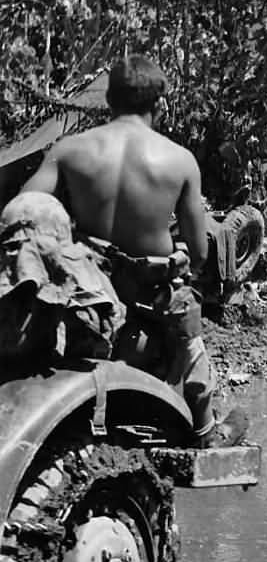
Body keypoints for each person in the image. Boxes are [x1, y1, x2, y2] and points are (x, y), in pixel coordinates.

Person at [21, 54, 245, 446]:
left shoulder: (69, 150)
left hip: (89, 289)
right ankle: (206, 428)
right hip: (154, 294)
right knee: (189, 332)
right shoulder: (179, 161)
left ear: (109, 102)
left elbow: (24, 211)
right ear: (159, 104)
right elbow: (198, 251)